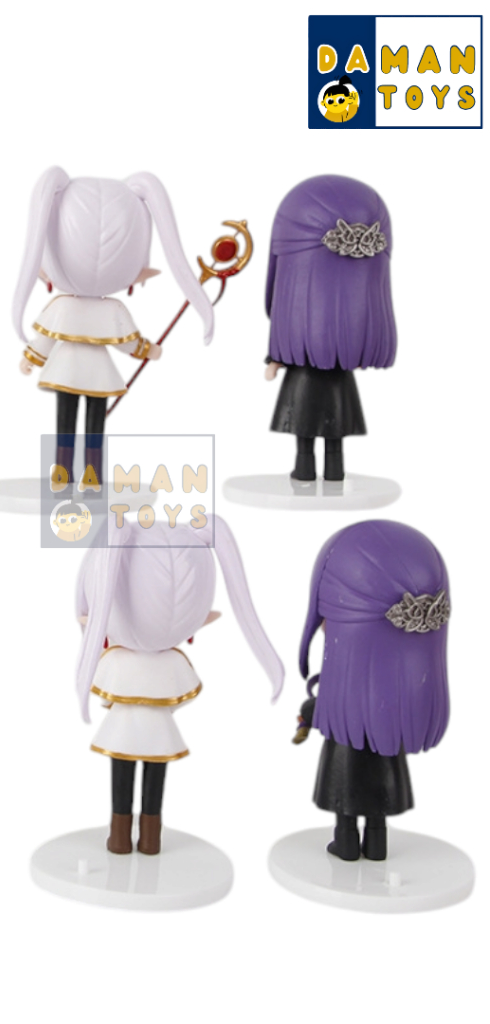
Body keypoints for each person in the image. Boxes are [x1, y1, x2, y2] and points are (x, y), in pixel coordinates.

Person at [75, 514, 283, 854]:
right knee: (152, 786)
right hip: (160, 733)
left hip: (121, 730)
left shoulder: (116, 661)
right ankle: (150, 839)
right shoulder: (172, 663)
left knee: (122, 781)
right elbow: (181, 698)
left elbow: (106, 697)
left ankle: (120, 837)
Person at [13, 168, 213, 487]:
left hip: (67, 371)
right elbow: (126, 343)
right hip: (97, 374)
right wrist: (148, 350)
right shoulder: (101, 309)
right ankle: (77, 472)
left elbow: (47, 341)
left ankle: (71, 472)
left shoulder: (69, 307)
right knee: (85, 425)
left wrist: (31, 358)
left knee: (73, 423)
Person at [296, 520, 450, 861]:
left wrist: (308, 714)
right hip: (385, 756)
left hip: (345, 754)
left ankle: (346, 843)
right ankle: (376, 845)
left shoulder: (341, 699)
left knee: (346, 807)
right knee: (377, 812)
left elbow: (314, 712)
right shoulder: (395, 708)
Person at [264, 175, 396, 481]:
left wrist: (274, 361)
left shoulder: (296, 328)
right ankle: (328, 470)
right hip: (334, 378)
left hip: (308, 378)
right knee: (331, 432)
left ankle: (311, 469)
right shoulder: (309, 336)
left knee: (310, 431)